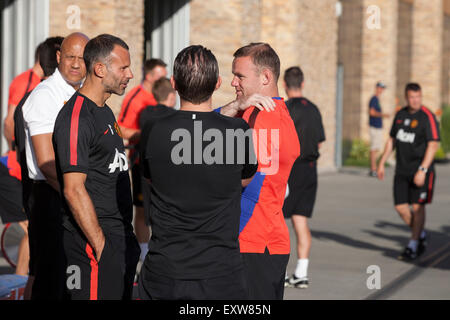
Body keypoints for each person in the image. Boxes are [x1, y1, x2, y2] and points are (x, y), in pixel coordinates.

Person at [138, 45, 258, 300]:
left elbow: (150, 178)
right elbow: (245, 179)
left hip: (165, 271)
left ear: (173, 83)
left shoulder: (153, 129)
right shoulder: (238, 130)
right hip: (221, 273)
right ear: (217, 83)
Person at [53, 34, 140, 300]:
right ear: (100, 69)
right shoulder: (76, 117)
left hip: (120, 237)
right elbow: (73, 190)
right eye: (123, 67)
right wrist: (101, 246)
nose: (130, 74)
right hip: (94, 247)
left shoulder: (104, 110)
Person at [218, 43, 300, 300]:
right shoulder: (271, 111)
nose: (233, 82)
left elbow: (251, 181)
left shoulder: (261, 117)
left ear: (265, 77)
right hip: (267, 241)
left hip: (251, 240)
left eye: (240, 75)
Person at [22, 32, 88, 300]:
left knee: (71, 281)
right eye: (69, 56)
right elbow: (47, 163)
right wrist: (77, 198)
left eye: (81, 58)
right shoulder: (46, 95)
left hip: (72, 194)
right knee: (52, 282)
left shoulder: (81, 94)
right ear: (59, 57)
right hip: (54, 196)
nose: (75, 64)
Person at [377, 83, 440, 260]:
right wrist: (382, 162)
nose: (416, 100)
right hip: (402, 170)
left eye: (418, 97)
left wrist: (423, 169)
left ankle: (413, 245)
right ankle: (420, 234)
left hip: (420, 171)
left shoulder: (427, 116)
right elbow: (392, 140)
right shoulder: (400, 114)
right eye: (412, 97)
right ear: (406, 97)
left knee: (418, 207)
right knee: (401, 207)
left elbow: (433, 144)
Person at [117, 58, 168, 263]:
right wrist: (145, 133)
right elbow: (120, 127)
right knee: (141, 209)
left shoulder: (160, 96)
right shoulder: (136, 98)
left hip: (163, 161)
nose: (164, 79)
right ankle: (144, 253)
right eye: (160, 76)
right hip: (141, 161)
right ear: (149, 76)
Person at [282, 66, 325, 289]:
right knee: (300, 220)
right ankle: (301, 272)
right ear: (303, 83)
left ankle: (277, 268)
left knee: (276, 219)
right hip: (310, 168)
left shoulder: (284, 109)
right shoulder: (314, 109)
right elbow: (319, 141)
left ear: (285, 85)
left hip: (290, 170)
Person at [3, 44, 44, 150]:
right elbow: (9, 122)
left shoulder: (42, 82)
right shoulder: (25, 81)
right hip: (19, 159)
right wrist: (13, 148)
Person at [368, 81, 389, 177]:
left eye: (383, 88)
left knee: (376, 148)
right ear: (377, 88)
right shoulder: (374, 99)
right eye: (381, 88)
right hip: (374, 126)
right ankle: (373, 169)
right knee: (374, 148)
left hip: (377, 127)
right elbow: (371, 112)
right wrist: (383, 115)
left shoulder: (377, 99)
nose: (382, 90)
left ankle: (374, 168)